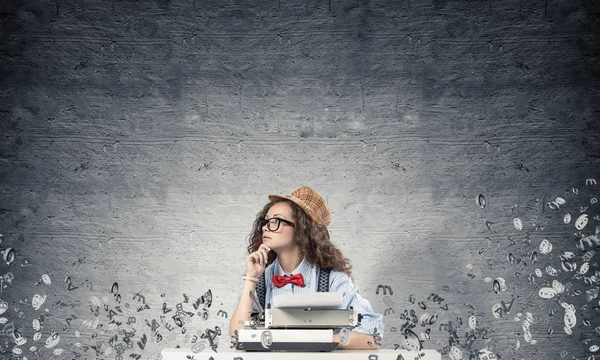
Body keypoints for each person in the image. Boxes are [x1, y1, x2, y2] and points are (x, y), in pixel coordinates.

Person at [229, 185, 384, 350]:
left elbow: (372, 338)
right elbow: (237, 338)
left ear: (302, 229)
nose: (266, 227)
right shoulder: (257, 279)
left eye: (276, 221)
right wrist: (251, 277)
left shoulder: (333, 279)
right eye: (265, 221)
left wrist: (317, 340)